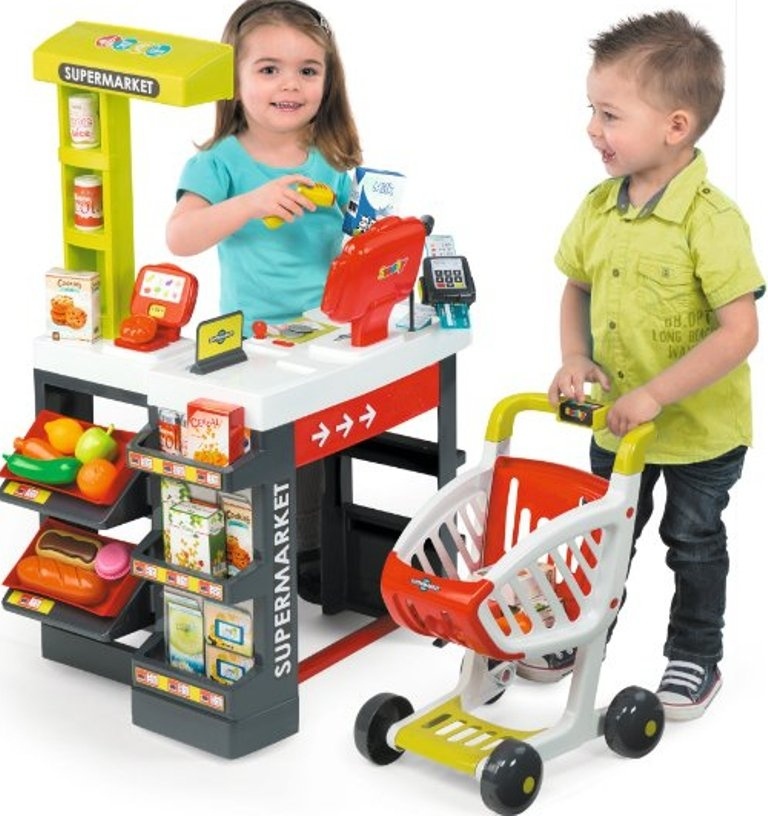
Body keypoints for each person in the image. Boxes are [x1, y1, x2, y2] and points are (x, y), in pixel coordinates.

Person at [515, 10, 764, 721]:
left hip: (699, 436)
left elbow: (740, 332)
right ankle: (578, 635)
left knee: (692, 542)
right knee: (602, 536)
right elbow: (577, 286)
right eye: (591, 110)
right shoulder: (600, 207)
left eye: (610, 115)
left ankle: (695, 654)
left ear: (675, 127)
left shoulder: (711, 222)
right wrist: (574, 355)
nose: (592, 129)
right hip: (616, 426)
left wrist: (657, 393)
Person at [166, 0, 363, 603]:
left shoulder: (333, 158)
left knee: (318, 451)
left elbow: (352, 239)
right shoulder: (218, 162)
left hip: (327, 337)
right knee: (255, 457)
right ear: (234, 77)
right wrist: (251, 203)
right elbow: (180, 236)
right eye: (269, 69)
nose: (290, 85)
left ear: (328, 79)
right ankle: (246, 555)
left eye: (308, 70)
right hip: (249, 344)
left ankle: (312, 551)